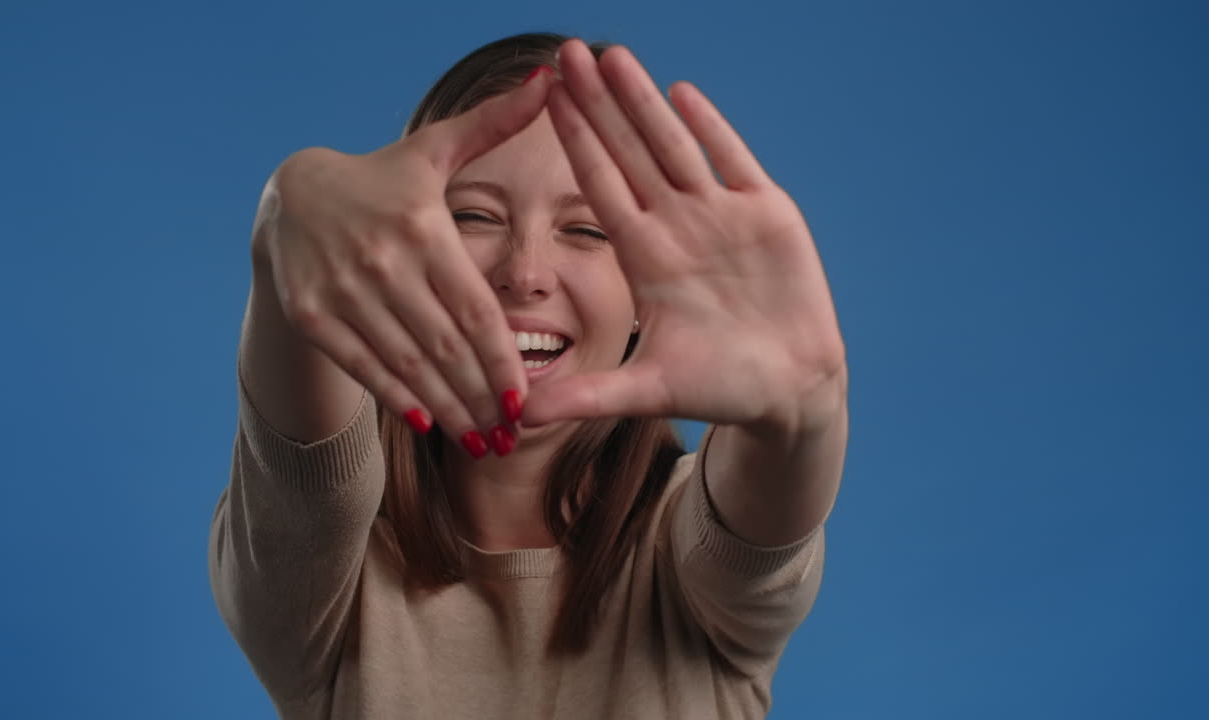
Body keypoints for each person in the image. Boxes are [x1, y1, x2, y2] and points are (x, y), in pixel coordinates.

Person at [208, 31, 848, 720]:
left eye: (588, 230)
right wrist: (288, 216)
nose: (526, 273)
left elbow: (760, 517)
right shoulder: (323, 577)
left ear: (646, 294)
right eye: (474, 217)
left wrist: (806, 409)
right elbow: (305, 477)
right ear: (400, 256)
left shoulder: (690, 551)